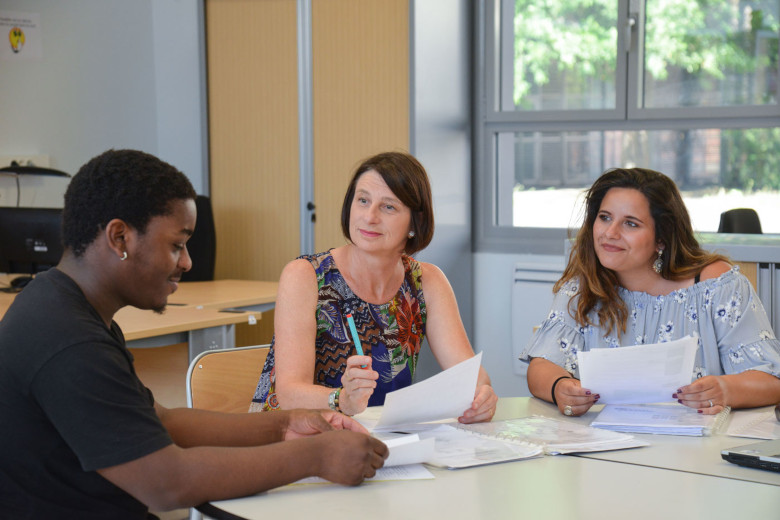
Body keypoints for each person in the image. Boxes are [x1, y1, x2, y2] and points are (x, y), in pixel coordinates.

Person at [0, 149, 388, 519]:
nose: (187, 262)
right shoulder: (70, 340)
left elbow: (161, 422)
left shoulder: (64, 306)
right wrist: (317, 456)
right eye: (176, 245)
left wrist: (285, 425)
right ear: (120, 238)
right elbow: (166, 484)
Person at [251, 151, 497, 422]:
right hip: (299, 434)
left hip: (380, 438)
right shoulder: (305, 276)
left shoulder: (426, 282)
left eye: (388, 207)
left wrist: (481, 394)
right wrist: (341, 399)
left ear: (415, 223)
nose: (369, 217)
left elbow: (469, 374)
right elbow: (288, 394)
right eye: (363, 200)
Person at [522, 167, 780, 417]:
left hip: (694, 451)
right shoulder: (583, 286)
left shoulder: (716, 285)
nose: (610, 233)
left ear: (661, 238)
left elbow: (771, 379)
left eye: (630, 224)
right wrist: (560, 389)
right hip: (605, 447)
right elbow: (543, 365)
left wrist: (726, 390)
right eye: (605, 217)